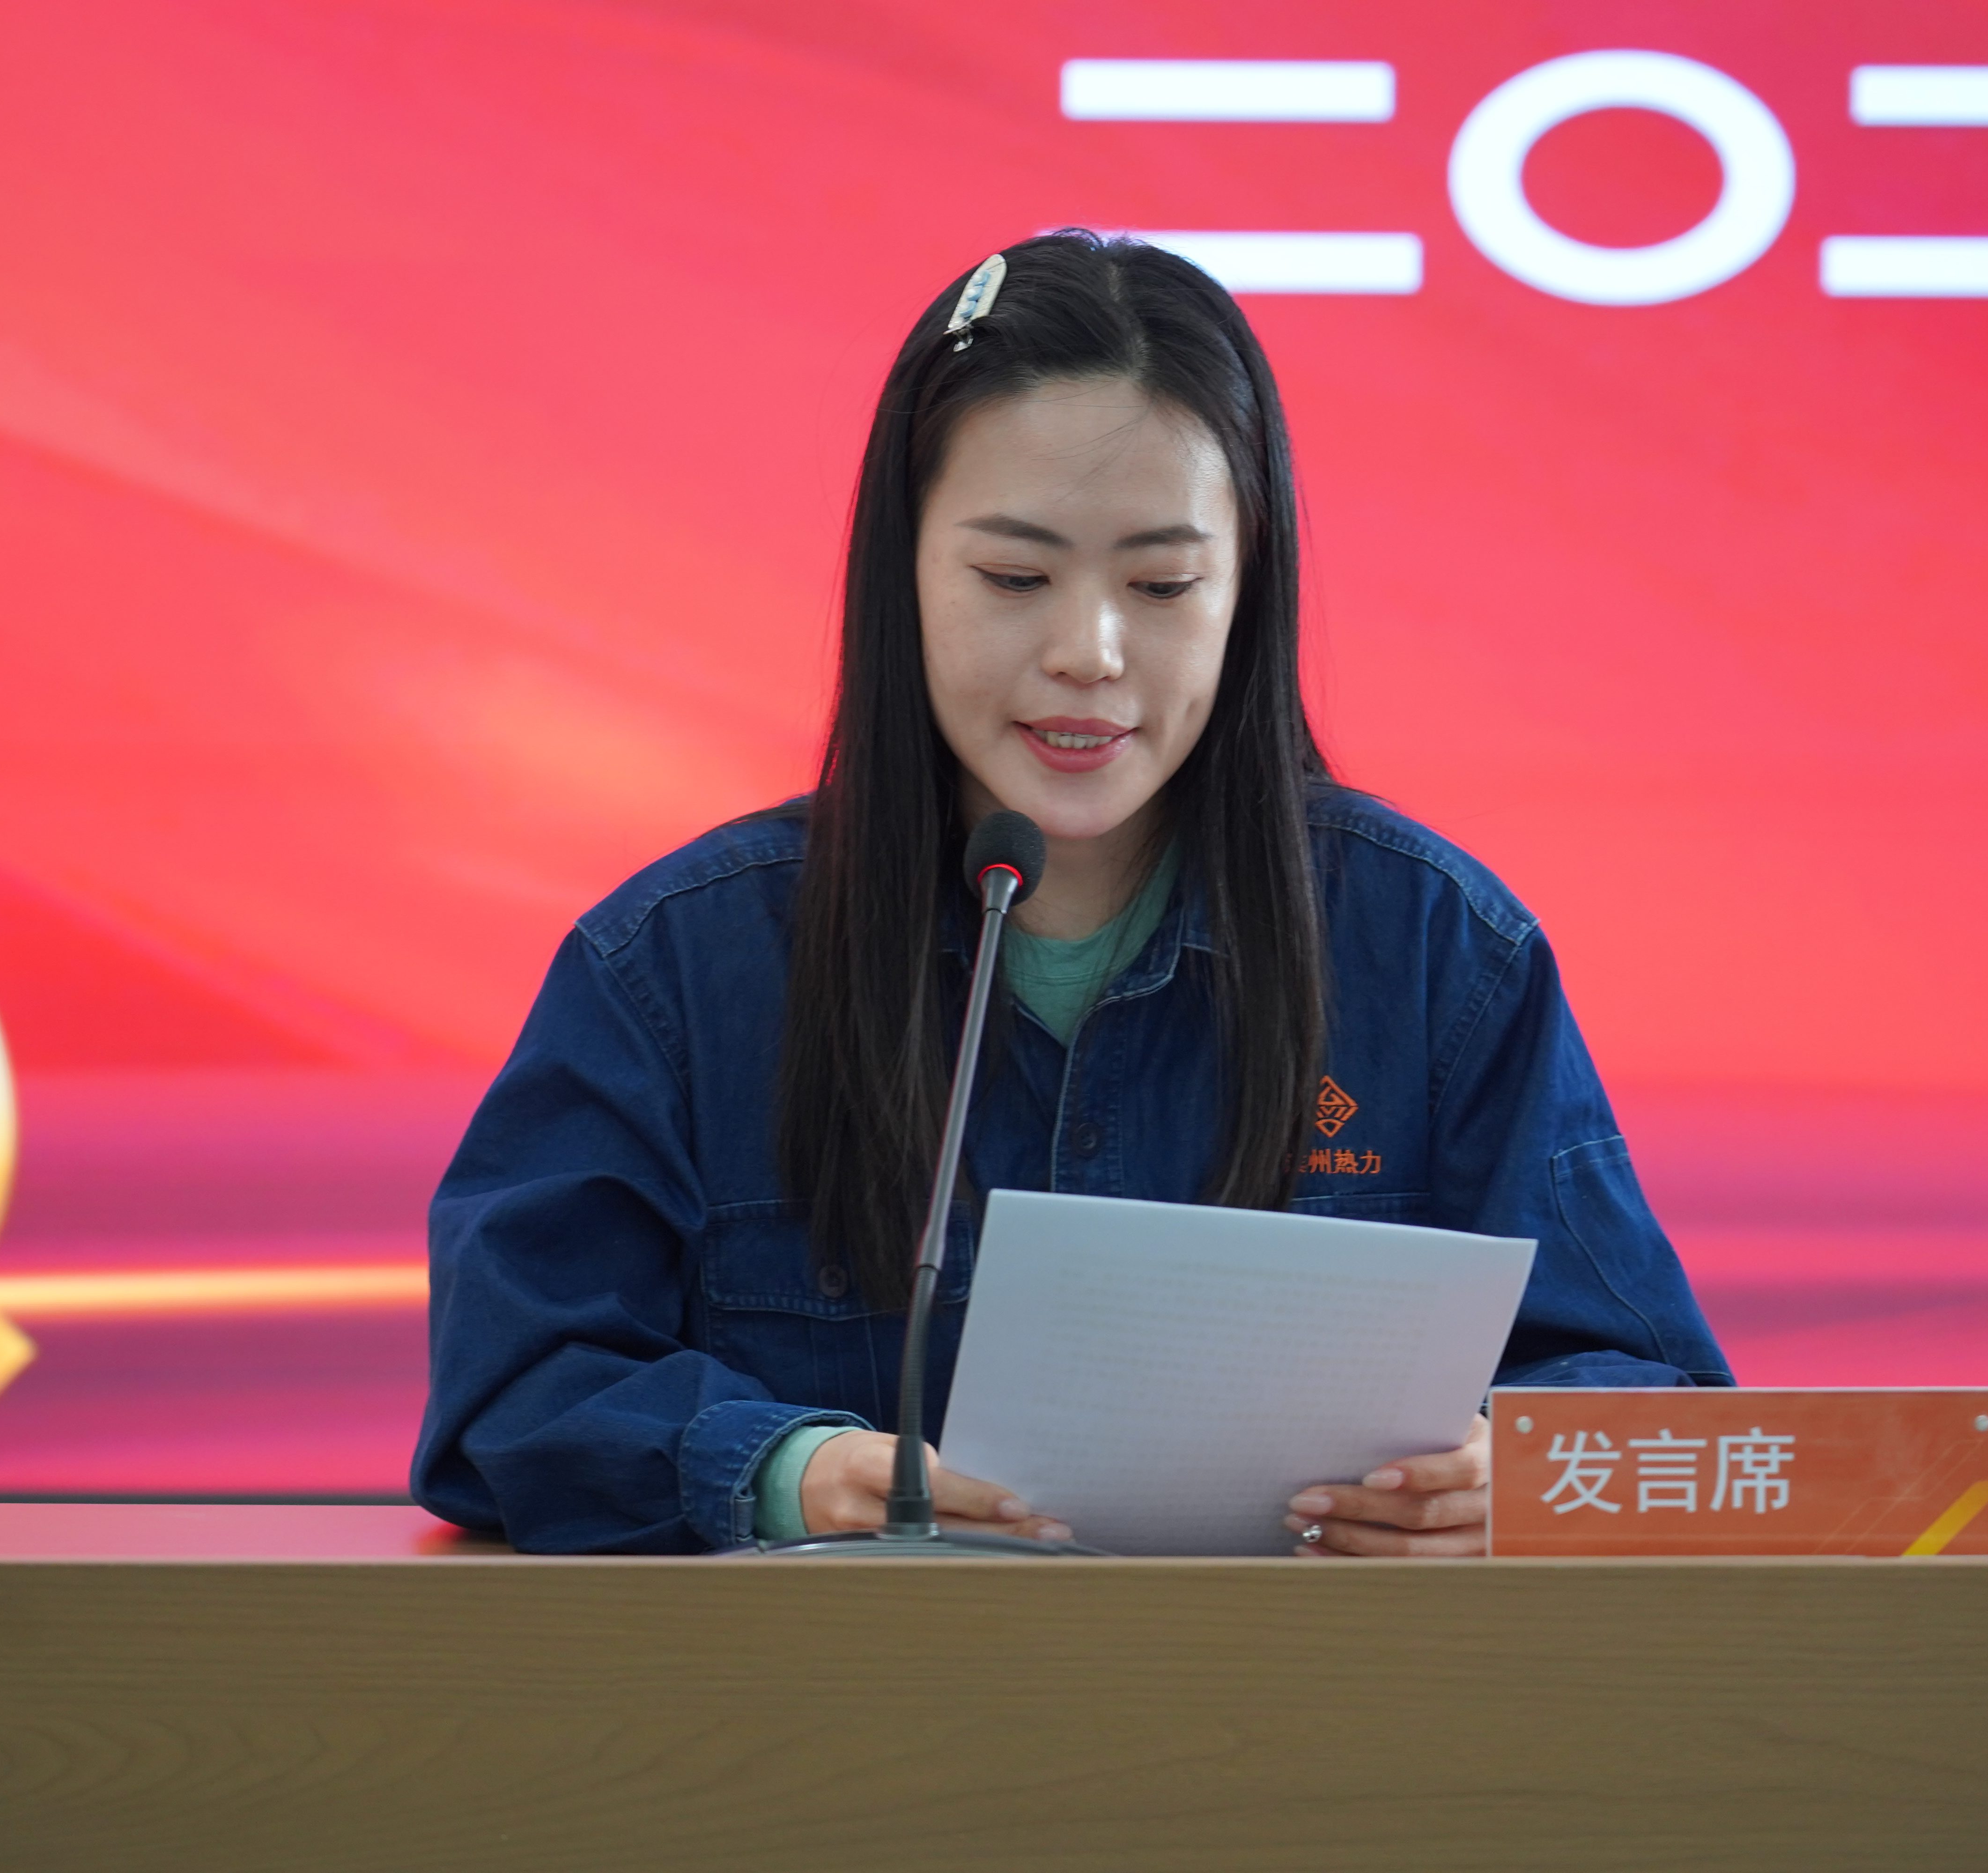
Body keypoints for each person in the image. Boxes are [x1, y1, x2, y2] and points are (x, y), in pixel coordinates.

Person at [414, 231, 1730, 1556]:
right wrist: (788, 1473)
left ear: (1248, 588)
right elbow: (515, 1390)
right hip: (848, 1685)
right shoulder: (680, 966)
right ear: (902, 570)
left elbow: (1654, 1394)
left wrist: (1514, 1477)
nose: (1089, 653)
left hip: (1300, 1688)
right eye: (1014, 578)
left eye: (1162, 585)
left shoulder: (1437, 949)